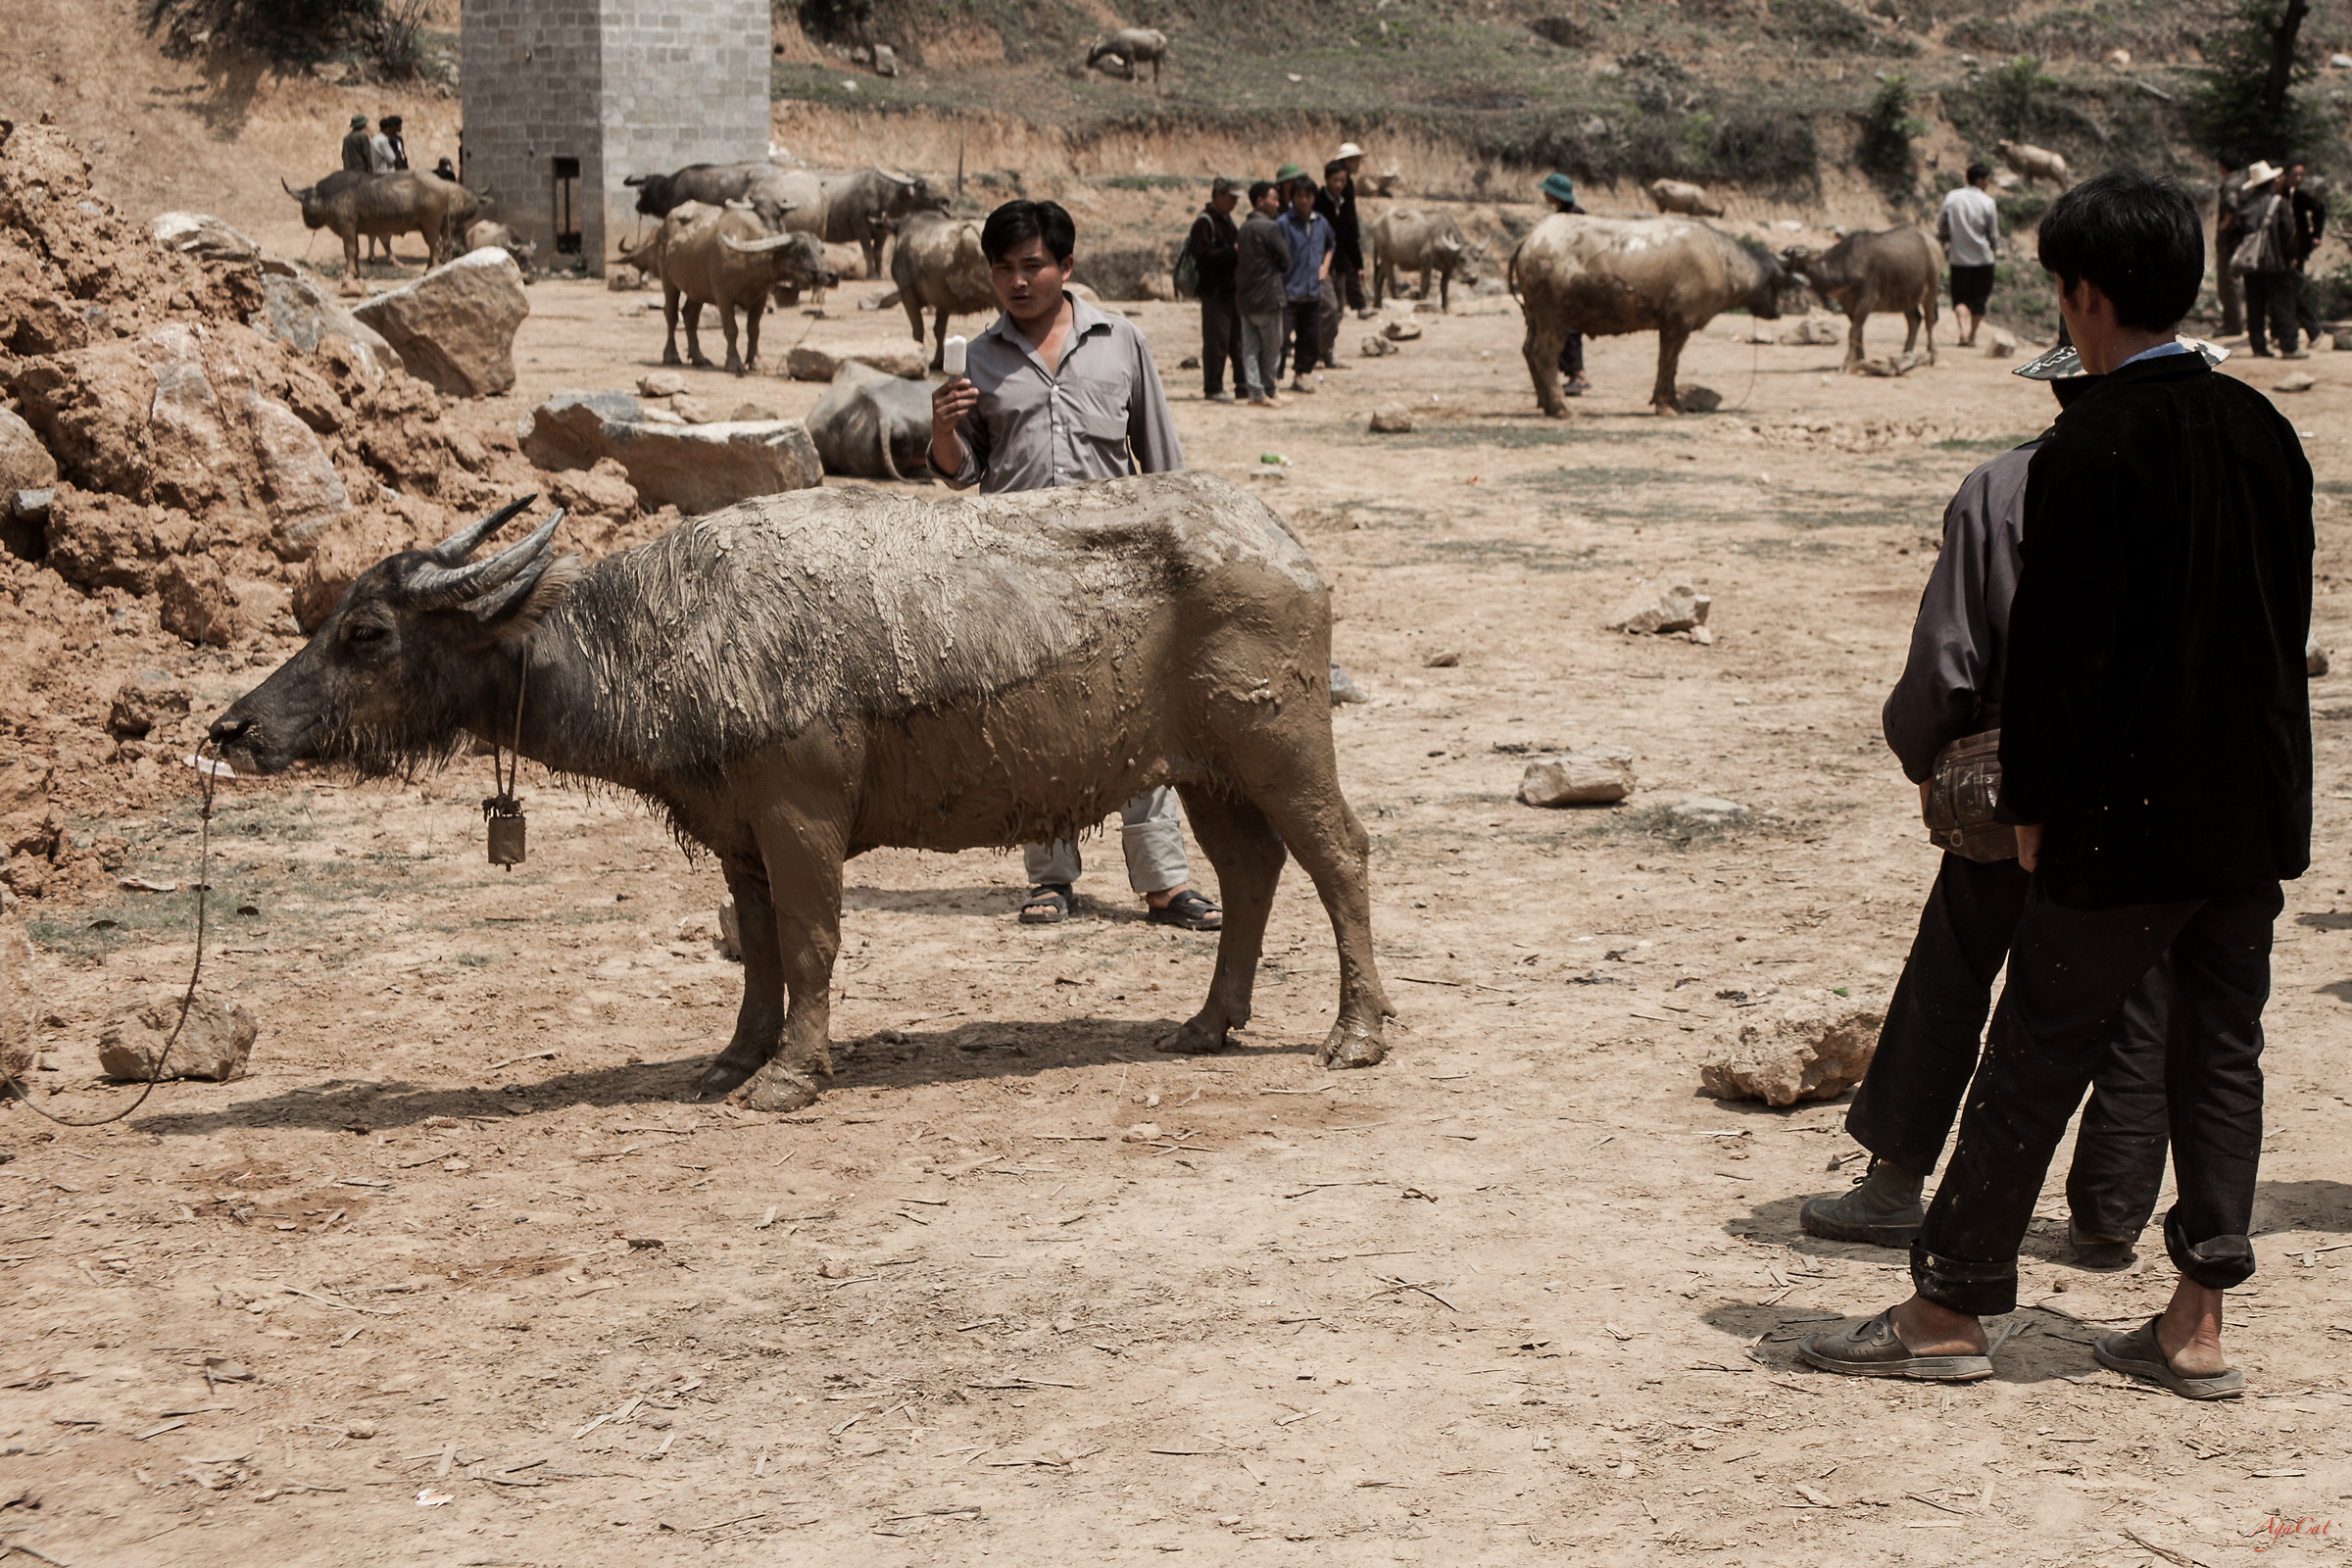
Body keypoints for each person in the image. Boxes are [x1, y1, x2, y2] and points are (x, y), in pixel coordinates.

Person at [1802, 171, 2314, 1397]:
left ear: (2082, 294)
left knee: (2033, 1051)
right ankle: (2195, 1323)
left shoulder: (2089, 445)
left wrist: (2032, 807)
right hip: (2249, 817)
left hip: (2122, 820)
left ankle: (1948, 1306)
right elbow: (2280, 636)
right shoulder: (2264, 429)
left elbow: (2062, 659)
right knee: (2221, 1053)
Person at [1797, 327, 2239, 1269]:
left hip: (2011, 774)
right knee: (2138, 991)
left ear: (2059, 391)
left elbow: (1947, 662)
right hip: (2146, 787)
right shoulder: (2200, 488)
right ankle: (2107, 1214)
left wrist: (1923, 752)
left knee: (1953, 968)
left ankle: (1893, 1184)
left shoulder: (2000, 487)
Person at [925, 199, 1225, 934]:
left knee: (1144, 726)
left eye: (1032, 265)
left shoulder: (1122, 341)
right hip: (1021, 572)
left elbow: (1162, 459)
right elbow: (962, 473)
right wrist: (942, 427)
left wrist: (1180, 557)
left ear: (1066, 265)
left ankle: (1164, 883)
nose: (1017, 281)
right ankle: (1051, 877)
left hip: (1118, 570)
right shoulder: (981, 357)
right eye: (1002, 268)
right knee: (1037, 728)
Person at [2236, 160, 2304, 358]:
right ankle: (2288, 346)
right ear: (2272, 181)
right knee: (2283, 305)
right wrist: (2291, 256)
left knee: (2255, 306)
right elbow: (2288, 233)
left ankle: (2258, 347)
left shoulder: (2246, 206)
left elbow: (2237, 235)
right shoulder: (2279, 203)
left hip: (2252, 264)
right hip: (2276, 264)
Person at [1186, 176, 1243, 403]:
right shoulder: (1205, 223)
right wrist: (1231, 252)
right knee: (1216, 342)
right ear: (1218, 195)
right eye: (1231, 198)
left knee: (1237, 340)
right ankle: (1213, 387)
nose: (1234, 203)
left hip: (1231, 289)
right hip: (1214, 291)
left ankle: (1243, 385)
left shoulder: (1227, 221)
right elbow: (1202, 256)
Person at [1234, 179, 1291, 408]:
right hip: (1268, 297)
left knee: (1250, 348)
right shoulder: (1270, 227)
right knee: (1271, 347)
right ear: (1260, 201)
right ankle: (1270, 390)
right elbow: (1285, 260)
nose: (1277, 204)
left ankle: (1255, 393)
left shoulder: (1244, 227)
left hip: (1245, 298)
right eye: (1273, 199)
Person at [1276, 175, 1335, 395]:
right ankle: (1274, 379)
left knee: (1309, 339)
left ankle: (1299, 376)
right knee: (1281, 339)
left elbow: (1331, 244)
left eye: (1308, 196)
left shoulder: (1320, 222)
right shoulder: (1283, 223)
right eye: (1299, 196)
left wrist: (1325, 266)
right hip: (1289, 291)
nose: (1303, 201)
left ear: (1313, 198)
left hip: (1312, 292)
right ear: (1291, 198)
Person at [1936, 163, 2001, 348]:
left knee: (1960, 298)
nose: (1988, 183)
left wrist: (1950, 235)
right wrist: (1994, 248)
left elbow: (1941, 223)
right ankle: (1972, 336)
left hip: (1958, 258)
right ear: (1980, 180)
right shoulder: (1987, 202)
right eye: (1987, 180)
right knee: (1980, 299)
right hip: (1983, 259)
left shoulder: (1952, 197)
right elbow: (1993, 233)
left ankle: (1963, 331)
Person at [1539, 173, 1590, 396]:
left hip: (1573, 280)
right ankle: (1573, 374)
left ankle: (1578, 375)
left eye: (1547, 190)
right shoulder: (1566, 214)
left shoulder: (1572, 217)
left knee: (1569, 329)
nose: (1544, 194)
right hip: (1567, 278)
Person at [1312, 158, 1361, 368]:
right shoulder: (1317, 202)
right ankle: (1315, 353)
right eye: (1335, 180)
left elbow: (1351, 236)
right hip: (1320, 264)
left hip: (1340, 263)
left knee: (1339, 311)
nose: (1339, 184)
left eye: (1342, 181)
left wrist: (1358, 265)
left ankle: (1327, 352)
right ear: (1326, 179)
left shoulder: (1345, 203)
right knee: (1329, 309)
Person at [2285, 163, 2328, 347]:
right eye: (2295, 174)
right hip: (2285, 251)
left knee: (2291, 290)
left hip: (2297, 250)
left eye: (2301, 175)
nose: (2299, 179)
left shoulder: (2299, 196)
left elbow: (2320, 209)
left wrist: (2316, 235)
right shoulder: (2282, 195)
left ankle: (2313, 330)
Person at [2214, 154, 2247, 338]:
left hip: (2229, 239)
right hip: (2240, 237)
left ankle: (2233, 325)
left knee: (2227, 282)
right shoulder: (2242, 181)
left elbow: (2231, 208)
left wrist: (2223, 226)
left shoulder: (2230, 185)